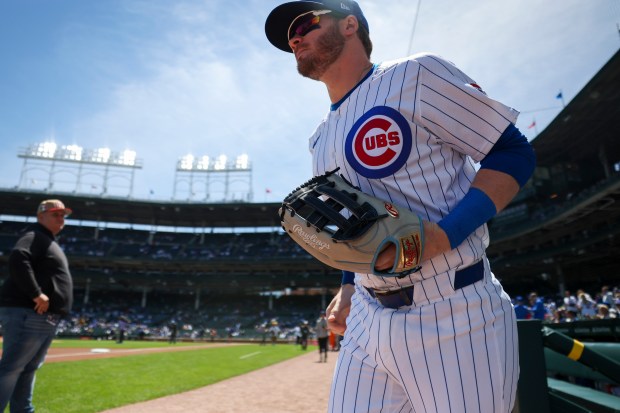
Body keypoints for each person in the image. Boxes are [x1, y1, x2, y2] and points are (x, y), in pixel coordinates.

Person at [265, 1, 536, 411]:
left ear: (350, 24)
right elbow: (352, 225)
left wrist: (446, 234)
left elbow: (512, 152)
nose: (295, 38)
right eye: (289, 37)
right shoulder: (319, 139)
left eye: (304, 24)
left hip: (452, 308)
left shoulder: (415, 74)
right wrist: (347, 287)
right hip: (367, 318)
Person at [0, 199, 74, 412]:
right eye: (55, 214)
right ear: (40, 216)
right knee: (12, 367)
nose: (61, 218)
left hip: (41, 315)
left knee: (28, 368)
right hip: (29, 311)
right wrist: (36, 294)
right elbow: (18, 258)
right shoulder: (35, 235)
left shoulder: (47, 240)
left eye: (63, 215)